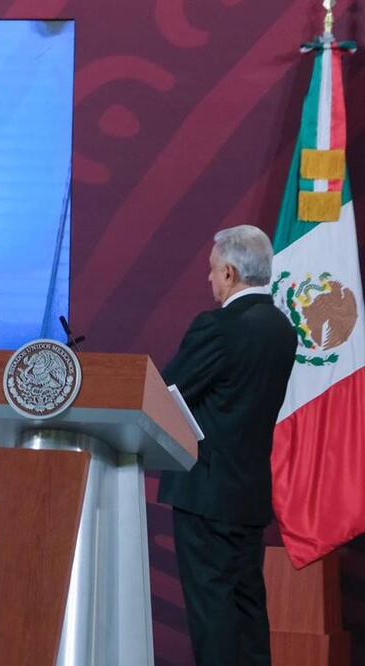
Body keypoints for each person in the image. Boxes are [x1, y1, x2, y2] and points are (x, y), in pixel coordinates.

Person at [158, 225, 296, 666]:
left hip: (207, 495)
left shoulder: (218, 328)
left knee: (213, 613)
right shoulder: (281, 328)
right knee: (247, 609)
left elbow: (164, 394)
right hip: (248, 493)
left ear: (232, 273)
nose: (210, 280)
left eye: (215, 271)